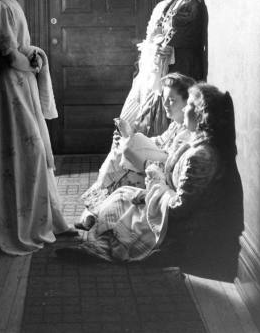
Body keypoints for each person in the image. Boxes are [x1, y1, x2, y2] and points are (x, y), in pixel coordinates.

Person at [58, 83, 238, 263]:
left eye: (189, 104)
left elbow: (181, 208)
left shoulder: (200, 156)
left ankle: (103, 249)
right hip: (164, 199)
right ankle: (102, 243)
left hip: (177, 223)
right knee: (121, 195)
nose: (184, 109)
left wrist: (155, 184)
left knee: (129, 211)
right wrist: (149, 191)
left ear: (201, 114)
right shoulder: (192, 142)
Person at [0, 0, 74, 256]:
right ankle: (28, 225)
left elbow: (20, 48)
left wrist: (32, 58)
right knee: (28, 151)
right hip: (11, 87)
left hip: (24, 83)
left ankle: (51, 220)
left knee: (36, 149)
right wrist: (31, 63)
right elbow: (8, 54)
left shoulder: (11, 2)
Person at [75, 73, 195, 231]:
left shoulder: (187, 134)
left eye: (172, 100)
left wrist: (138, 155)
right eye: (164, 98)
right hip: (154, 164)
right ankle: (95, 210)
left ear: (188, 103)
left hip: (160, 176)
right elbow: (158, 141)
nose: (165, 104)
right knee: (120, 151)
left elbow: (170, 166)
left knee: (124, 161)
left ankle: (96, 211)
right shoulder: (175, 125)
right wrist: (128, 136)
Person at [120, 0, 179, 137]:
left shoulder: (178, 7)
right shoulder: (160, 7)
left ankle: (141, 154)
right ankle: (127, 153)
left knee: (150, 118)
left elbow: (168, 40)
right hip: (147, 67)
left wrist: (156, 41)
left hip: (160, 69)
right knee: (129, 115)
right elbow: (151, 36)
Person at [158, 0, 208, 82]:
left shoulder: (192, 5)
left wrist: (168, 48)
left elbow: (186, 41)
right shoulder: (172, 3)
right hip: (168, 68)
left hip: (184, 70)